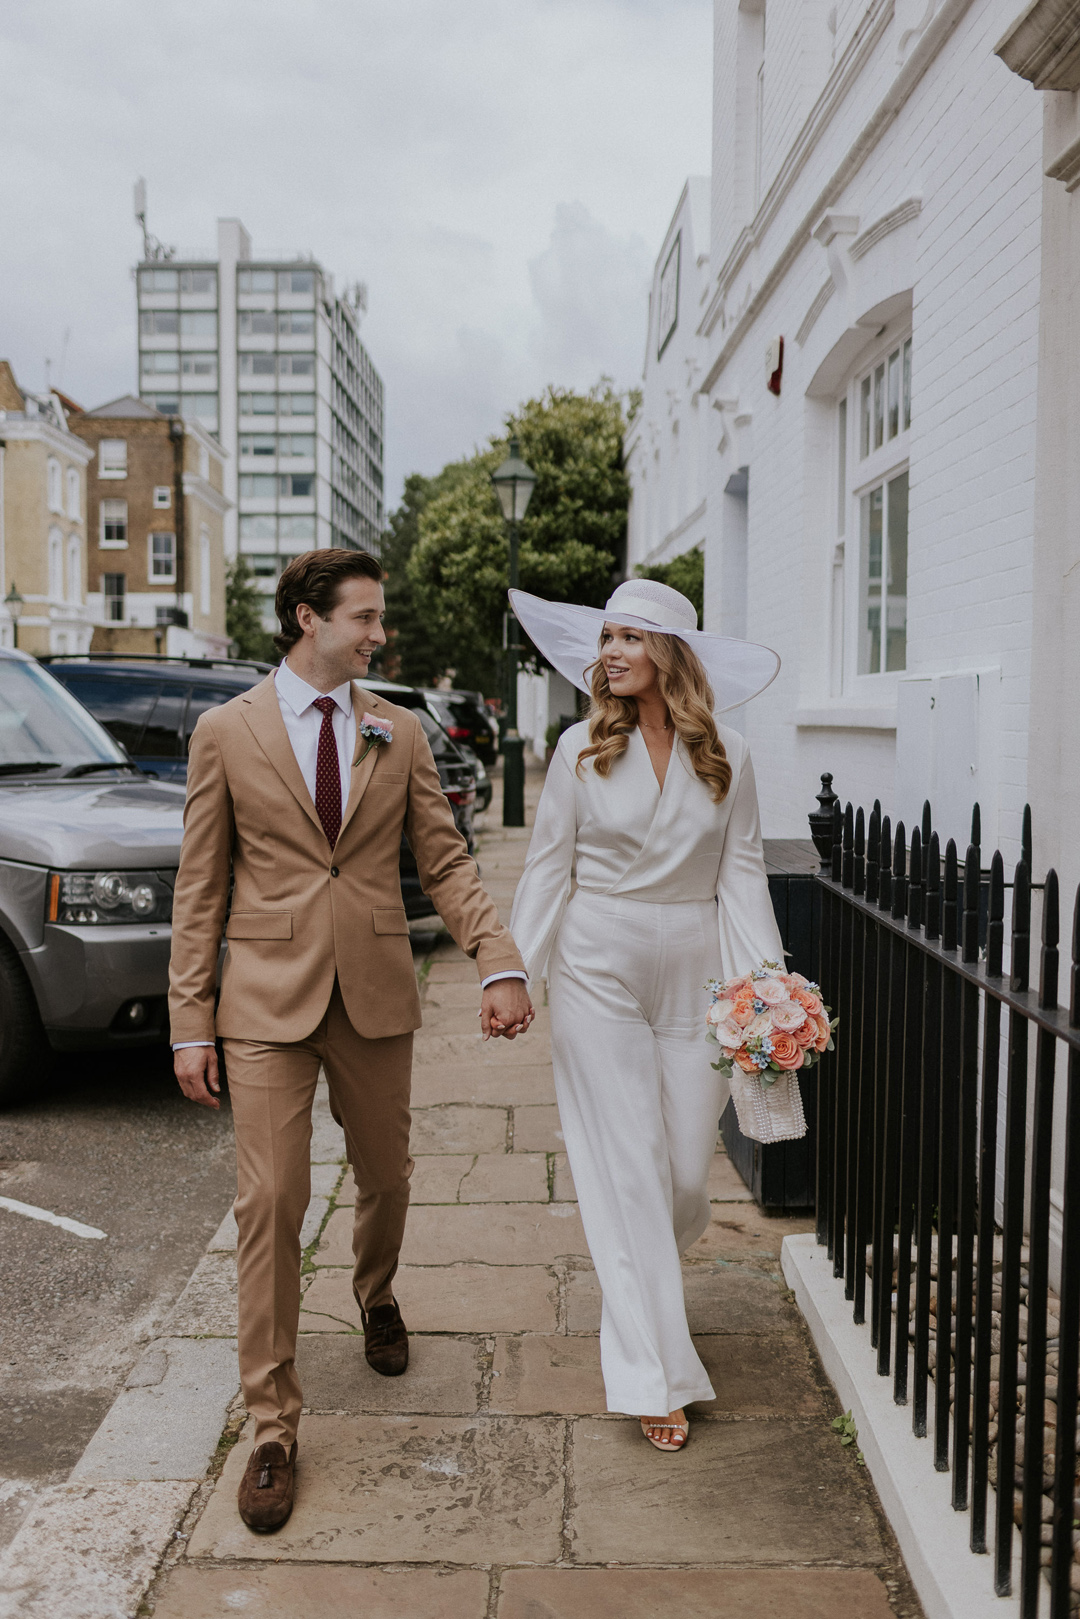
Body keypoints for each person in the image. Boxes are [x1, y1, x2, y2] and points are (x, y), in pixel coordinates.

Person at [169, 549, 533, 1530]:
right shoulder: (225, 731)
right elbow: (200, 886)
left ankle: (376, 1291)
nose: (379, 633)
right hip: (262, 999)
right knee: (272, 1197)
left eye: (380, 618)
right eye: (365, 617)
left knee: (390, 1175)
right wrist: (187, 1020)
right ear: (307, 618)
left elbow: (445, 860)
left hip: (374, 989)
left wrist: (497, 955)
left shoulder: (396, 730)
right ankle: (273, 1423)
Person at [507, 578, 782, 1452]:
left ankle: (641, 1279)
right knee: (626, 1171)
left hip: (697, 969)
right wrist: (510, 971)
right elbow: (549, 867)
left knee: (686, 1181)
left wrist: (766, 988)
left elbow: (742, 874)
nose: (611, 652)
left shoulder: (728, 751)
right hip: (597, 962)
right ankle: (653, 1372)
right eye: (607, 638)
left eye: (629, 637)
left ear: (670, 652)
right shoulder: (580, 746)